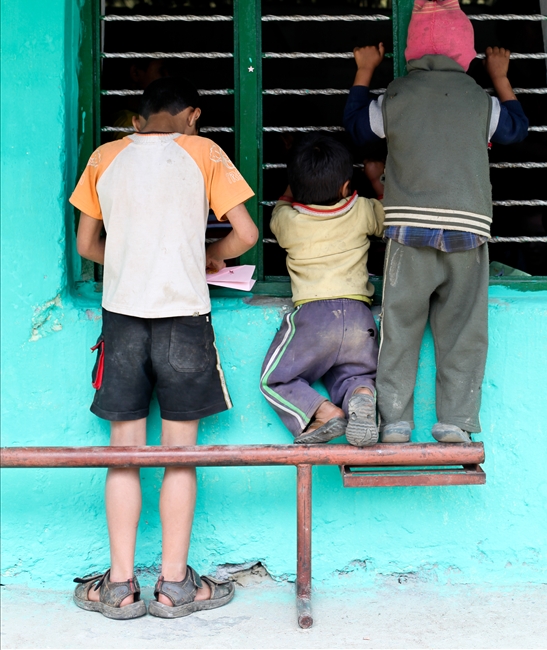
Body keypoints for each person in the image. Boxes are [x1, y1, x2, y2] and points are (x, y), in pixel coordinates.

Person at [69, 77, 258, 619]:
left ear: (136, 121)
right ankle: (175, 586)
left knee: (123, 453)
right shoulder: (203, 152)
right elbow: (244, 233)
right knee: (180, 456)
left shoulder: (105, 157)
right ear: (193, 115)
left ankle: (119, 587)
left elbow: (86, 244)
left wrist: (133, 261)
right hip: (184, 320)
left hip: (123, 320)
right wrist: (207, 257)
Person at [342, 0, 529, 445]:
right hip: (469, 229)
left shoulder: (397, 96)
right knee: (464, 330)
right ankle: (456, 421)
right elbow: (516, 132)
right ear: (466, 54)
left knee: (400, 328)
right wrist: (501, 79)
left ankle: (394, 423)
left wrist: (365, 72)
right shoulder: (478, 100)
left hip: (409, 231)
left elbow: (357, 130)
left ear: (409, 53)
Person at [260, 134, 385, 448]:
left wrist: (293, 188)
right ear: (346, 187)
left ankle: (324, 411)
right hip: (359, 316)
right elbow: (392, 219)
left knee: (276, 379)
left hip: (314, 318)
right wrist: (374, 179)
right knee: (356, 374)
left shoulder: (289, 221)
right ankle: (361, 395)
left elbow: (280, 210)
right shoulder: (362, 210)